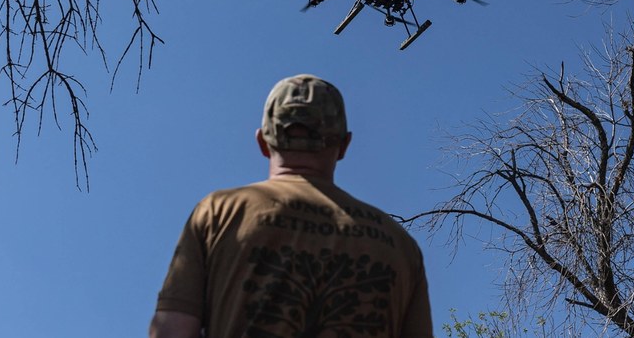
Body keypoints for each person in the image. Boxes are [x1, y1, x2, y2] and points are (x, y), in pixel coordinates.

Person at [150, 74, 433, 338]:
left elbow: (172, 330)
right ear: (345, 144)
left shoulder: (218, 212)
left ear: (262, 141)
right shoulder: (400, 246)